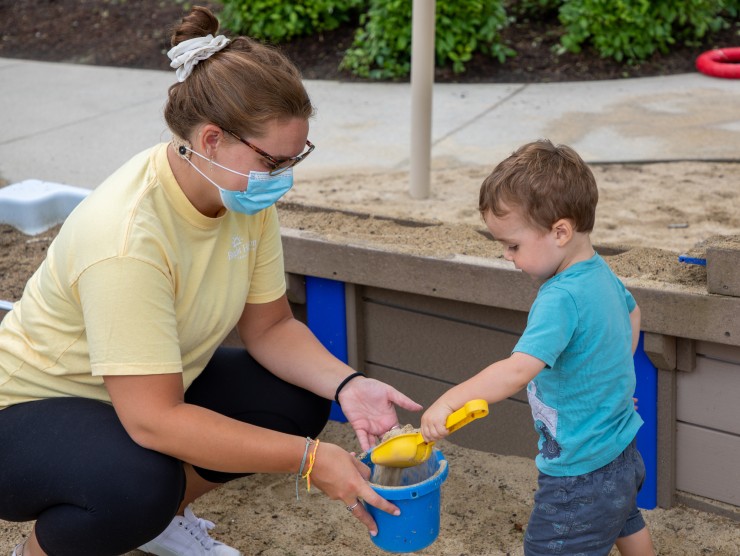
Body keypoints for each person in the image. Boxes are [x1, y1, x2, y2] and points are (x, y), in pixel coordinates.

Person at [0, 6, 422, 556]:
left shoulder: (238, 190)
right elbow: (154, 421)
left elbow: (270, 326)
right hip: (27, 417)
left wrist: (348, 385)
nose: (284, 179)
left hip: (142, 391)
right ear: (211, 138)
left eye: (297, 157)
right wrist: (309, 460)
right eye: (275, 161)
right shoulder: (128, 238)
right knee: (135, 483)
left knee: (296, 397)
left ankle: (161, 521)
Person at [420, 140, 655, 556]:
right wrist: (614, 384)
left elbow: (516, 371)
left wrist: (450, 400)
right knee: (623, 518)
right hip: (620, 452)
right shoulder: (601, 274)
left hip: (578, 472)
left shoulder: (559, 298)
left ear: (560, 232)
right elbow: (633, 315)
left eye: (513, 245)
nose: (508, 257)